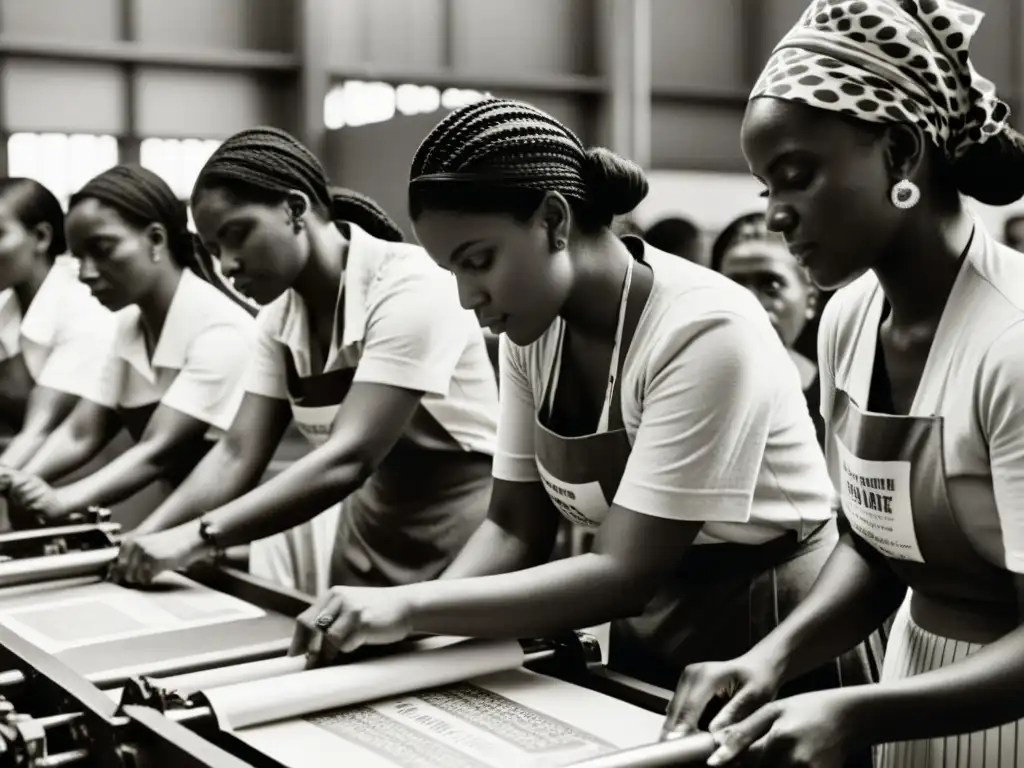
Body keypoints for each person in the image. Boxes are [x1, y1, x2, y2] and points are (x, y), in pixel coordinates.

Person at [287, 98, 880, 701]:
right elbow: (514, 526)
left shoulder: (704, 328)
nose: (468, 298)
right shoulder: (532, 325)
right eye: (453, 273)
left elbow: (623, 573)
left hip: (769, 623)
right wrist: (424, 634)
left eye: (478, 261)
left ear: (553, 221)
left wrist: (411, 607)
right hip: (652, 620)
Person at [661, 1, 1024, 765]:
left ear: (899, 153)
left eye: (796, 177)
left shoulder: (1011, 343)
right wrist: (771, 659)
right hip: (907, 687)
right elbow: (872, 541)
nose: (777, 214)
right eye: (765, 187)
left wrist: (858, 714)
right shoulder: (849, 318)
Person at [112, 127, 498, 596]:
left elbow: (349, 457)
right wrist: (141, 541)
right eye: (213, 251)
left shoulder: (411, 285)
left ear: (294, 209)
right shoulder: (278, 318)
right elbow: (237, 453)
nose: (227, 265)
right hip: (366, 544)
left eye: (237, 235)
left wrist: (195, 537)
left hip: (465, 540)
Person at [1, 165, 257, 527]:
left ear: (155, 239)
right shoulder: (126, 327)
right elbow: (81, 432)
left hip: (246, 530)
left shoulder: (220, 330)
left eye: (102, 250)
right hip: (184, 522)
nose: (88, 272)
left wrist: (61, 499)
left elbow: (157, 450)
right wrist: (17, 480)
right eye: (78, 259)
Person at [0, 178, 115, 469]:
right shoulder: (6, 307)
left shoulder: (83, 309)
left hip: (79, 480)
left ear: (41, 237)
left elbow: (39, 430)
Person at [711, 212, 825, 445]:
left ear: (810, 300)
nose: (750, 302)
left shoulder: (836, 402)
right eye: (733, 286)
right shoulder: (690, 391)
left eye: (771, 286)